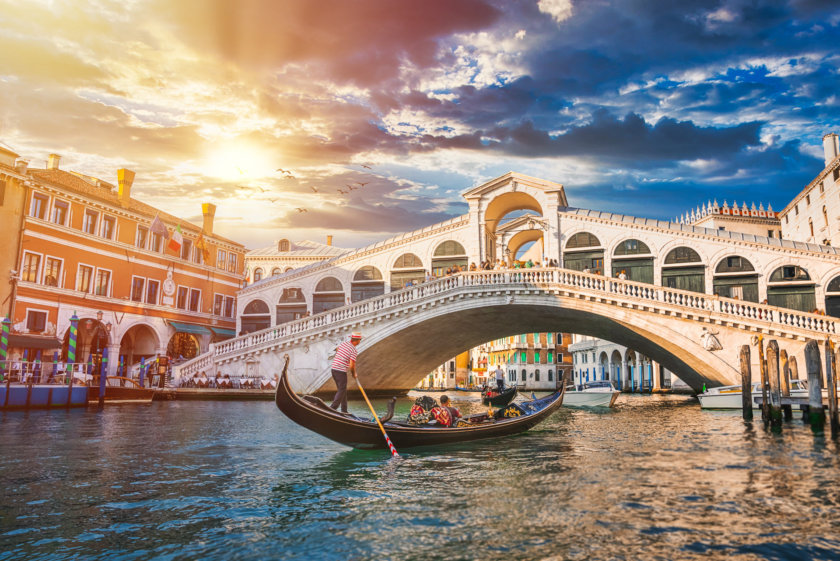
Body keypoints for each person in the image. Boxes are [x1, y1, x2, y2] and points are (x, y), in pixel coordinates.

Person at [330, 332, 362, 413]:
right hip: (340, 371)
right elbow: (352, 365)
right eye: (360, 340)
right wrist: (353, 374)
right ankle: (332, 408)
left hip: (333, 369)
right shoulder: (353, 350)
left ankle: (344, 410)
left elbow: (337, 349)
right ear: (357, 340)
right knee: (342, 389)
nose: (360, 341)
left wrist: (342, 357)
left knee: (342, 390)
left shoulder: (344, 344)